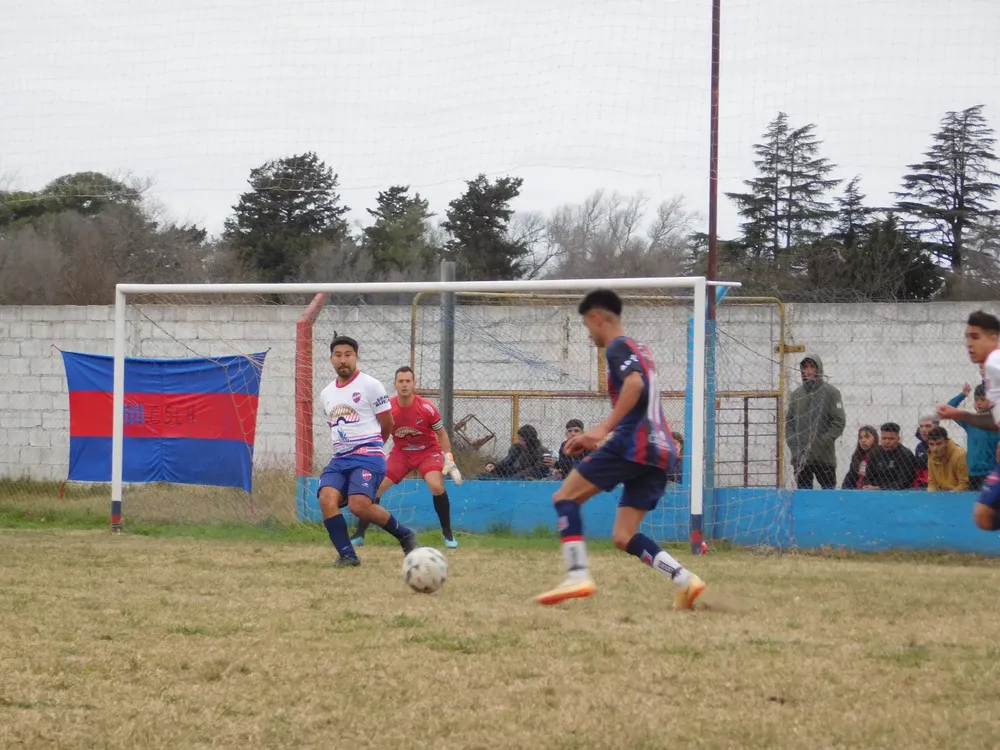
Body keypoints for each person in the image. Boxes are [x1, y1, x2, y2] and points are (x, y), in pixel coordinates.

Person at [534, 288, 705, 610]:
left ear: (598, 318)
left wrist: (600, 430)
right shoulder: (641, 348)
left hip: (634, 442)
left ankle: (577, 574)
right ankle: (685, 580)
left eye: (587, 326)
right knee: (623, 535)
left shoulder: (617, 347)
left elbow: (635, 384)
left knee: (564, 498)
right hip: (661, 451)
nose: (589, 334)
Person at [316, 335, 418, 567]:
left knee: (358, 505)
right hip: (340, 458)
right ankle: (347, 555)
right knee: (326, 499)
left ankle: (405, 535)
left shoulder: (371, 386)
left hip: (368, 456)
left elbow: (388, 423)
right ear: (331, 359)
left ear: (356, 357)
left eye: (348, 355)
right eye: (338, 355)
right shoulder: (326, 394)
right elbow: (334, 425)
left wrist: (374, 447)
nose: (343, 360)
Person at [351, 366, 463, 549]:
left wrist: (448, 458)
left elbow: (442, 434)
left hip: (428, 452)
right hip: (401, 453)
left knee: (436, 485)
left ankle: (448, 534)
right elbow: (378, 433)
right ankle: (360, 534)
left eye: (408, 381)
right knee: (374, 489)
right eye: (400, 381)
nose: (404, 385)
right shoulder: (387, 408)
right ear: (395, 384)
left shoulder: (426, 407)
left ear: (414, 384)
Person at [937, 310, 1000, 530]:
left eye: (975, 337)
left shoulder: (995, 362)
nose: (969, 343)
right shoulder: (989, 369)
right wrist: (961, 415)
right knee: (984, 516)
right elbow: (996, 419)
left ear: (993, 338)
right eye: (967, 337)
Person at [784, 355, 847, 489]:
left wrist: (822, 442)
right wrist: (794, 445)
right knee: (804, 496)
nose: (809, 370)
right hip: (801, 458)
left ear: (819, 369)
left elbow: (839, 421)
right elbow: (789, 422)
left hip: (824, 458)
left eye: (812, 366)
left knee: (828, 496)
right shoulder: (796, 395)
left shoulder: (831, 393)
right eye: (805, 367)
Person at [945, 383, 999, 491]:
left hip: (990, 472)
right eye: (976, 399)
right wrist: (963, 395)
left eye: (982, 399)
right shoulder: (970, 421)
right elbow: (949, 408)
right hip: (972, 473)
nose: (978, 403)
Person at [863, 422, 918, 490]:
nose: (887, 441)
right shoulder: (874, 453)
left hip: (897, 493)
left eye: (891, 439)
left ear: (898, 439)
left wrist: (879, 488)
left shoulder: (906, 454)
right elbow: (867, 477)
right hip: (874, 492)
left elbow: (904, 482)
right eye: (884, 438)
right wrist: (867, 486)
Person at [482, 424, 550, 480]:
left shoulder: (542, 451)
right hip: (514, 474)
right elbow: (507, 462)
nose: (521, 443)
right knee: (485, 477)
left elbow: (538, 470)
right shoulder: (517, 448)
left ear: (531, 440)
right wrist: (495, 467)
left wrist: (517, 476)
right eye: (519, 440)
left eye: (523, 440)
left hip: (529, 477)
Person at [925, 426, 969, 491]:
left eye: (939, 444)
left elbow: (964, 484)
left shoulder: (960, 455)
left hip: (959, 494)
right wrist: (931, 497)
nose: (935, 449)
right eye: (931, 444)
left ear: (946, 442)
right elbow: (932, 482)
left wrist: (950, 495)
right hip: (942, 494)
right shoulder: (931, 457)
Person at [841, 425, 878, 489]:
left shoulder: (879, 455)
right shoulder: (856, 456)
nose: (863, 440)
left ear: (875, 438)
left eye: (867, 437)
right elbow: (852, 475)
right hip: (857, 489)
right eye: (860, 438)